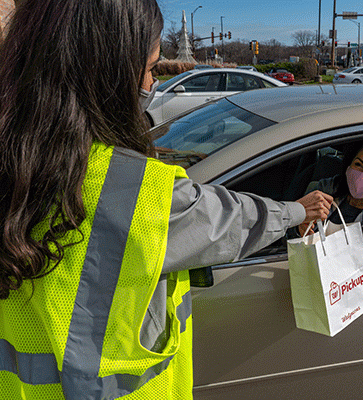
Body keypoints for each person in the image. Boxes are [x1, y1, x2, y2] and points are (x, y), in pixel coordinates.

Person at [0, 1, 332, 399]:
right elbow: (229, 220)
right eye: (151, 68)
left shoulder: (16, 159)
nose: (151, 84)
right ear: (106, 73)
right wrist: (298, 210)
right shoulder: (138, 191)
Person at [297, 140, 363, 237]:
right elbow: (291, 229)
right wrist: (300, 228)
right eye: (358, 165)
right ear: (349, 165)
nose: (362, 175)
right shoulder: (325, 189)